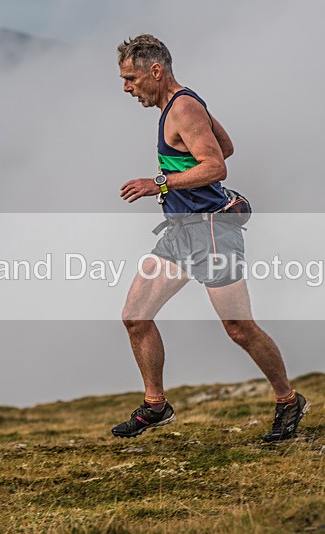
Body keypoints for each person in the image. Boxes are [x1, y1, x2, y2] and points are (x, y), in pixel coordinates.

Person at [112, 34, 308, 442]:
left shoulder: (182, 107)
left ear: (155, 70)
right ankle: (155, 406)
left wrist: (160, 183)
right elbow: (227, 146)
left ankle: (288, 401)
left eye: (131, 78)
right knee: (135, 316)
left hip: (213, 233)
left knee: (239, 328)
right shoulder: (181, 104)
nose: (127, 88)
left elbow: (217, 166)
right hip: (181, 233)